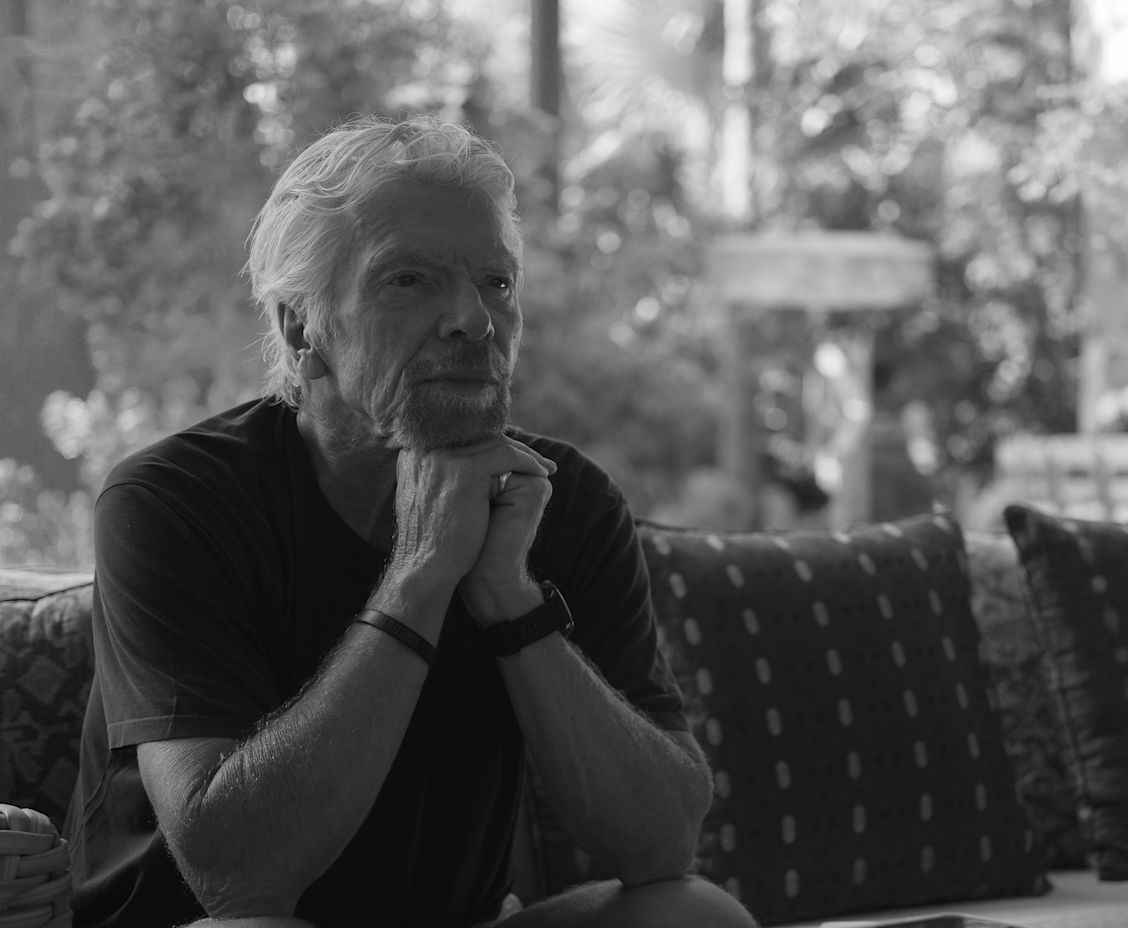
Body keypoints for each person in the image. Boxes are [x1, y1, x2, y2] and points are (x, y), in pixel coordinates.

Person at [63, 115, 757, 928]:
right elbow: (236, 878)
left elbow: (662, 845)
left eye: (496, 281)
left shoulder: (563, 499)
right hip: (216, 925)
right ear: (302, 327)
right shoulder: (171, 501)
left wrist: (508, 593)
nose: (474, 318)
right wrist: (420, 571)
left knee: (694, 915)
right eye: (408, 280)